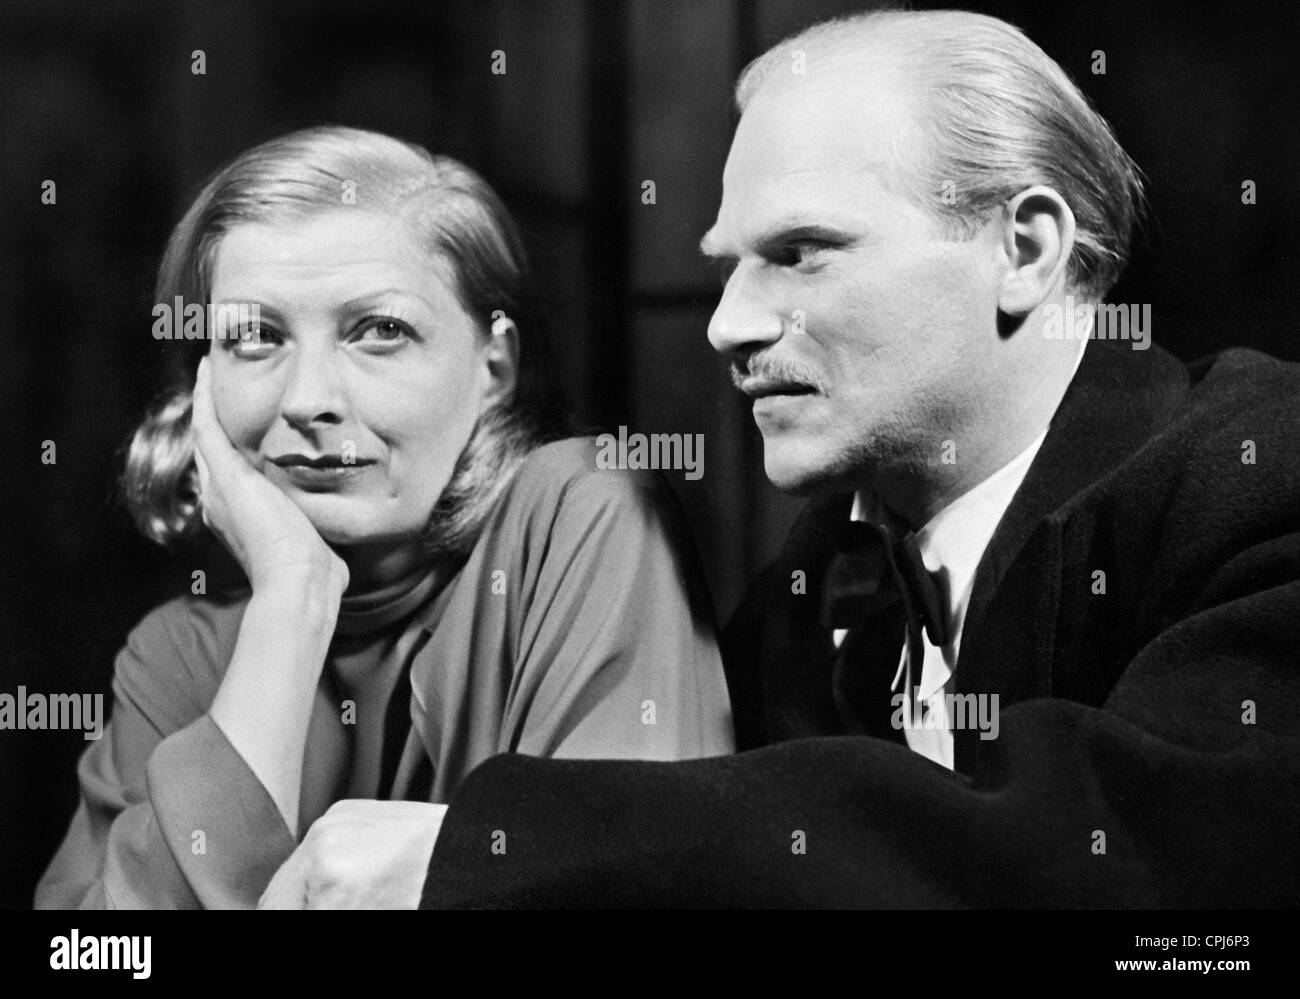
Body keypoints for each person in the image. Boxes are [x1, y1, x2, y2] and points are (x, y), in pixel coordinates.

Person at [390, 8, 1294, 907]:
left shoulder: (1263, 474)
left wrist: (502, 846)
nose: (726, 325)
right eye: (730, 266)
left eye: (801, 253)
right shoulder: (817, 580)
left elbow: (1165, 886)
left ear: (1024, 251)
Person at [34, 125, 733, 910]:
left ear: (493, 365)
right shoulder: (181, 654)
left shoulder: (581, 515)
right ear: (203, 382)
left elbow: (623, 894)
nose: (307, 401)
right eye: (254, 338)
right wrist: (292, 601)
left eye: (379, 332)